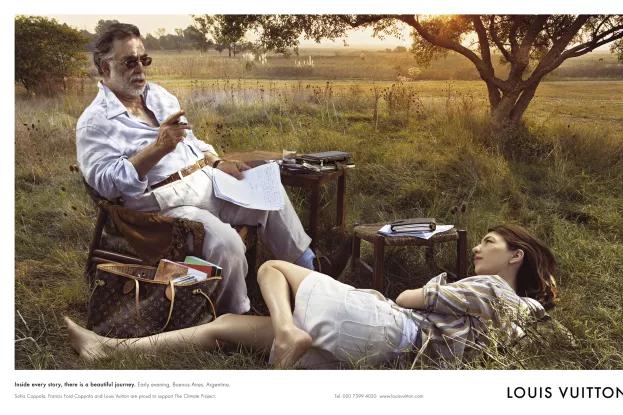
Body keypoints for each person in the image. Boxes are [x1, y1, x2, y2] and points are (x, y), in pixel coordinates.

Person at [66, 224, 557, 368]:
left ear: (516, 256)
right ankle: (109, 348)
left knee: (274, 267)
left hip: (389, 328)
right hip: (382, 357)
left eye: (489, 242)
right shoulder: (521, 317)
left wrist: (428, 289)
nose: (478, 248)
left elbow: (409, 298)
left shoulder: (493, 288)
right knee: (226, 328)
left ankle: (286, 329)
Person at [76, 23, 315, 315]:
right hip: (165, 204)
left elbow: (192, 141)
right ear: (105, 67)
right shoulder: (95, 122)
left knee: (268, 194)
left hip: (203, 179)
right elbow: (105, 184)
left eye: (143, 59)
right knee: (226, 244)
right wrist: (157, 149)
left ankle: (310, 282)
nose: (139, 69)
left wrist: (217, 161)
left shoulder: (159, 95)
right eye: (129, 62)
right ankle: (236, 318)